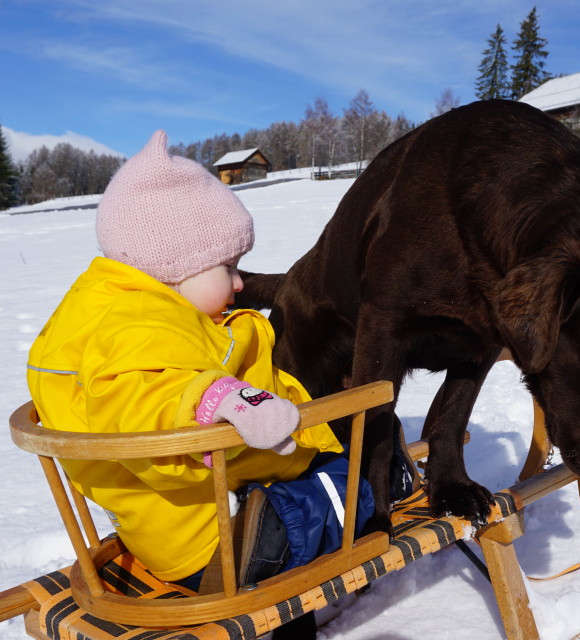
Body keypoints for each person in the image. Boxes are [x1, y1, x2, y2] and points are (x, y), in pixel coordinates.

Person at [26, 130, 371, 594]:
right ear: (174, 267)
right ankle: (285, 527)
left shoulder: (108, 308)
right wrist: (215, 400)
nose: (241, 282)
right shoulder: (141, 325)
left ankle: (272, 514)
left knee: (327, 472)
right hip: (209, 543)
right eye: (227, 266)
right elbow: (138, 402)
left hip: (171, 520)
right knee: (353, 482)